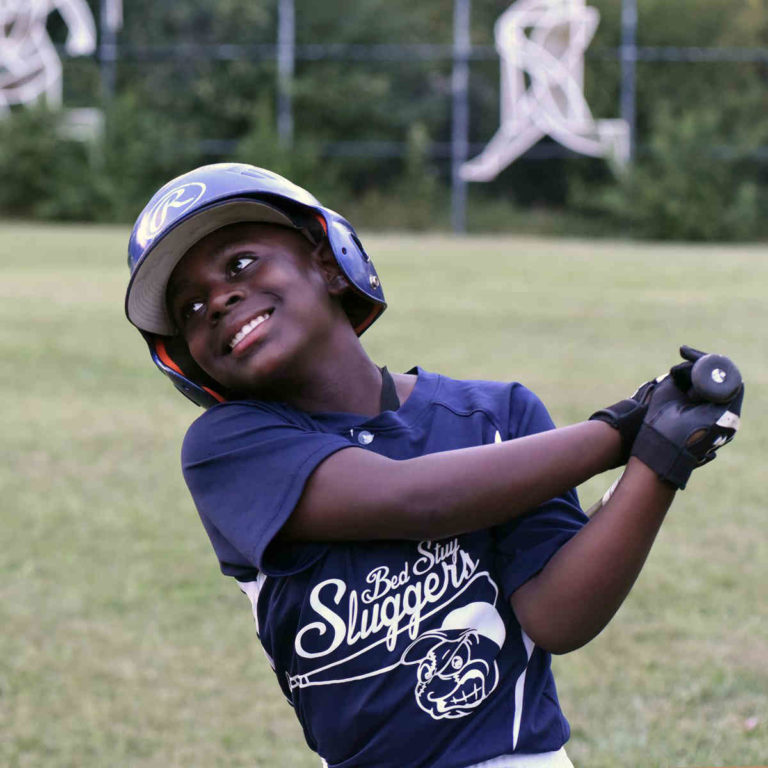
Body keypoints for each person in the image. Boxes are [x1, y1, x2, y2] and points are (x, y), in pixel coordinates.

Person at [124, 163, 743, 768]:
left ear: (327, 263)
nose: (218, 300)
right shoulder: (228, 449)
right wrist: (620, 430)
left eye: (240, 263)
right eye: (188, 309)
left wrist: (660, 458)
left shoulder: (497, 415)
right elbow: (408, 498)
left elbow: (558, 617)